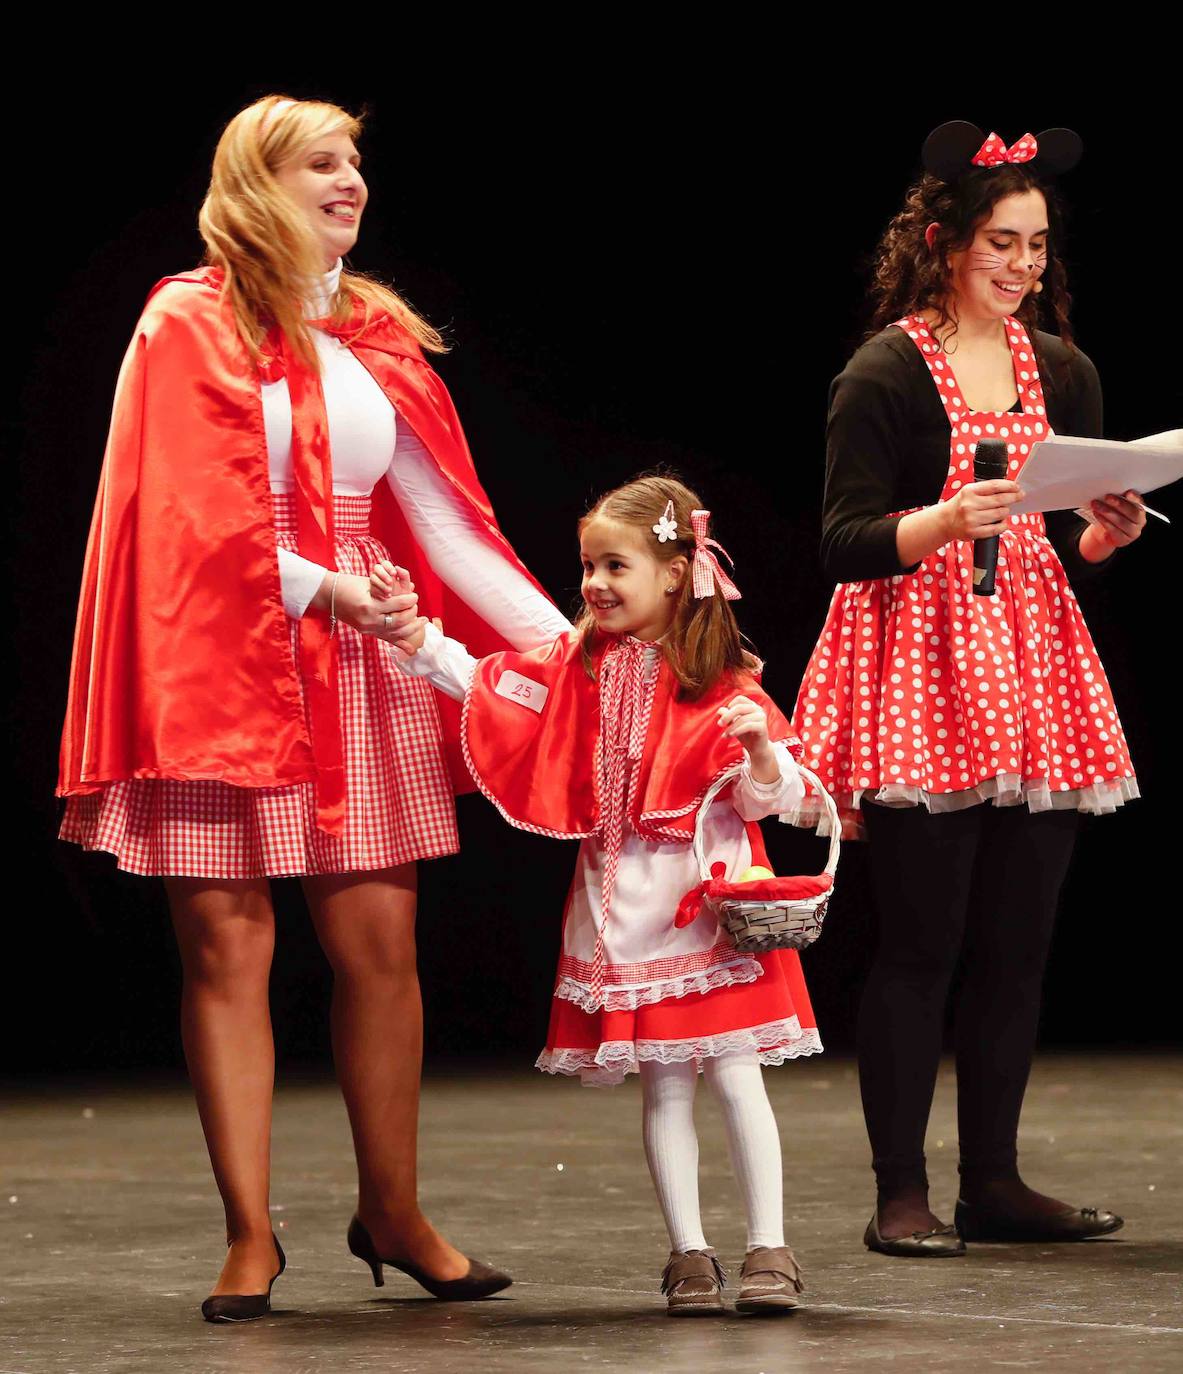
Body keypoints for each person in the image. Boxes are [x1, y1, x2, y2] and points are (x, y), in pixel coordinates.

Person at [57, 94, 571, 1319]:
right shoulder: (188, 318)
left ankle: (391, 1211)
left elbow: (449, 527)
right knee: (228, 951)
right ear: (254, 185)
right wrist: (321, 586)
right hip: (223, 662)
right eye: (319, 166)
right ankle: (250, 1234)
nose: (349, 183)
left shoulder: (373, 329)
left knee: (379, 955)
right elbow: (182, 520)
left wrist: (588, 651)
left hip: (361, 667)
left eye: (355, 165)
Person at [790, 123, 1143, 1257]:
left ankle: (993, 1179)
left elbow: (1062, 528)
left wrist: (1101, 535)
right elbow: (842, 540)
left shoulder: (1064, 367)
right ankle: (902, 1190)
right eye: (1003, 243)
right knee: (918, 946)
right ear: (944, 244)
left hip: (1032, 672)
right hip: (918, 670)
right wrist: (940, 520)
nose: (1022, 266)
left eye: (1037, 247)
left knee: (1016, 948)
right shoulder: (887, 370)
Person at [374, 474, 822, 1315]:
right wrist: (417, 638)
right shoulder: (575, 666)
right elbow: (490, 688)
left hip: (708, 913)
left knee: (734, 1077)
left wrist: (760, 750)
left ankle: (770, 1246)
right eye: (587, 566)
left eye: (613, 565)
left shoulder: (721, 682)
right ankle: (688, 1253)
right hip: (621, 913)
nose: (593, 584)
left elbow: (772, 799)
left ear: (672, 573)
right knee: (663, 1083)